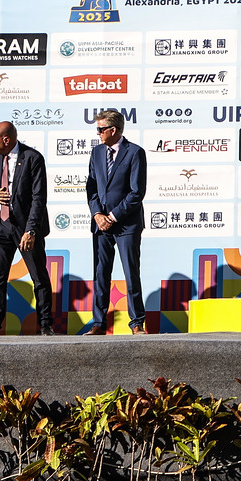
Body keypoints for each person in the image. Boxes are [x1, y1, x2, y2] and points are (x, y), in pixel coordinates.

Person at [0, 121, 52, 334]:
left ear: (6, 140)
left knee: (39, 277)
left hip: (26, 227)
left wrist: (30, 231)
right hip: (2, 225)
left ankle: (45, 324)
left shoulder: (32, 158)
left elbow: (38, 198)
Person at [85, 109, 148, 334]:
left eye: (101, 129)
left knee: (131, 273)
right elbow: (91, 187)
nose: (98, 133)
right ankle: (98, 323)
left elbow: (136, 192)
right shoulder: (96, 152)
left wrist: (112, 216)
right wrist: (97, 215)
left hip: (127, 224)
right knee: (100, 273)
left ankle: (136, 322)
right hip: (101, 224)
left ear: (113, 130)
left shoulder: (135, 152)